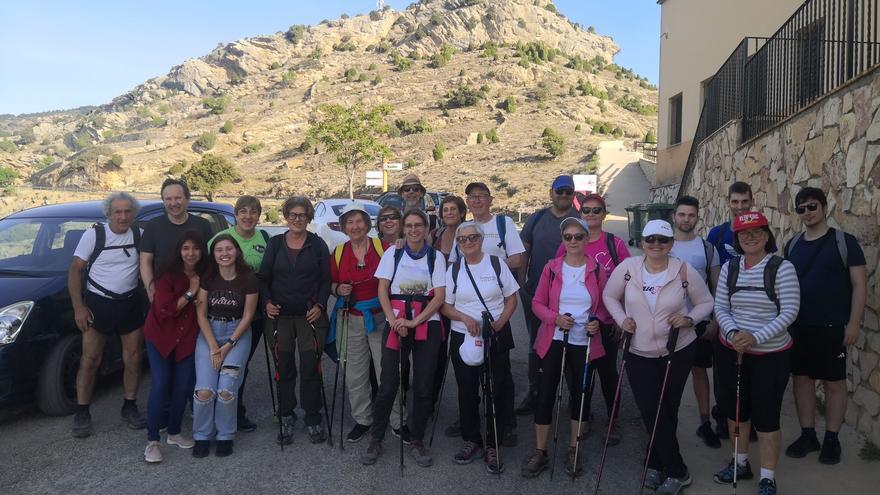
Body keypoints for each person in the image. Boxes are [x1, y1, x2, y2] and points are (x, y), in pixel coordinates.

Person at [603, 220, 713, 494]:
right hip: (639, 351)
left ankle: (656, 463)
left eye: (662, 240)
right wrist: (622, 319)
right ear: (642, 243)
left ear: (671, 244)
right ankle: (676, 468)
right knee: (650, 409)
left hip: (677, 349)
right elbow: (609, 295)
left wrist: (689, 318)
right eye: (650, 239)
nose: (655, 245)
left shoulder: (683, 270)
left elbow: (706, 302)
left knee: (668, 409)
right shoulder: (628, 268)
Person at [712, 212, 800, 495]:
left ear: (766, 235)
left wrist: (755, 337)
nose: (750, 237)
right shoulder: (731, 268)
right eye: (743, 233)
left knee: (767, 416)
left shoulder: (782, 268)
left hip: (770, 355)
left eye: (757, 231)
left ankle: (768, 477)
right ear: (736, 239)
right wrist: (733, 334)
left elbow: (789, 311)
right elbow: (721, 307)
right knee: (736, 412)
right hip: (733, 350)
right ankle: (740, 463)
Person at [783, 187, 866, 465]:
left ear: (824, 207)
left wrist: (853, 323)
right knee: (802, 381)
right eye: (801, 208)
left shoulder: (845, 243)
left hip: (832, 327)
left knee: (834, 383)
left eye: (812, 206)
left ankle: (832, 438)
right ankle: (809, 435)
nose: (807, 213)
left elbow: (859, 285)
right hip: (799, 326)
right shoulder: (792, 245)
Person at [521, 217, 605, 478]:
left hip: (584, 342)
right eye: (567, 237)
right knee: (546, 394)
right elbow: (537, 303)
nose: (572, 241)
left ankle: (573, 449)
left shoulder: (598, 269)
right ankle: (540, 451)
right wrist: (554, 318)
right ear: (563, 240)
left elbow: (604, 305)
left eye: (578, 236)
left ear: (586, 238)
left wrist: (598, 321)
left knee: (580, 398)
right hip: (554, 339)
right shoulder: (552, 268)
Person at [361, 209, 446, 468]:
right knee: (388, 383)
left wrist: (414, 321)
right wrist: (393, 320)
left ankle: (417, 438)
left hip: (425, 323)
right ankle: (376, 437)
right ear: (403, 228)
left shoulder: (436, 257)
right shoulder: (393, 253)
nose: (413, 230)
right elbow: (383, 289)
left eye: (418, 225)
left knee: (422, 385)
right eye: (408, 225)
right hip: (396, 321)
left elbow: (440, 296)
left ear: (426, 227)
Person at [552, 192, 631, 444]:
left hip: (606, 322)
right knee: (579, 376)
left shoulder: (614, 244)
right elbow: (557, 279)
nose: (591, 215)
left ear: (604, 215)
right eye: (586, 210)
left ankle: (613, 422)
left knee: (608, 375)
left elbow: (630, 283)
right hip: (576, 325)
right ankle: (582, 418)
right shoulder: (570, 241)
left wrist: (622, 318)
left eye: (597, 210)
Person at [68, 192, 148, 438]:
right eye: (118, 212)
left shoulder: (139, 235)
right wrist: (79, 307)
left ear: (133, 213)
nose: (123, 217)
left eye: (127, 212)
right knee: (90, 359)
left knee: (133, 358)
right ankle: (82, 411)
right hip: (98, 304)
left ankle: (129, 405)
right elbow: (74, 270)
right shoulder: (94, 235)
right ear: (109, 214)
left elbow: (148, 264)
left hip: (129, 303)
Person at [442, 221, 519, 474]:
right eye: (462, 240)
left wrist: (500, 323)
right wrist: (464, 318)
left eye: (472, 237)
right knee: (467, 389)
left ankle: (493, 442)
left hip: (494, 335)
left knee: (495, 388)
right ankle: (472, 440)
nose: (467, 242)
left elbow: (511, 298)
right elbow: (446, 306)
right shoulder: (453, 270)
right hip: (463, 337)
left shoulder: (496, 264)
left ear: (481, 238)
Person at [451, 182, 525, 444]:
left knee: (500, 379)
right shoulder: (462, 237)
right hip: (465, 326)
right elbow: (452, 269)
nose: (477, 201)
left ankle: (504, 427)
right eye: (472, 197)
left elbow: (517, 260)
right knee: (468, 382)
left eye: (481, 196)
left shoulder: (503, 226)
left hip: (496, 317)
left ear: (490, 200)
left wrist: (490, 266)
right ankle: (471, 428)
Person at [259, 196, 331, 445]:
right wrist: (266, 302)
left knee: (311, 366)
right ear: (286, 217)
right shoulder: (276, 244)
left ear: (309, 218)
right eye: (293, 214)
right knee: (284, 366)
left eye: (302, 215)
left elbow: (325, 280)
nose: (298, 219)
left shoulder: (317, 244)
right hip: (280, 317)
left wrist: (321, 305)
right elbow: (264, 277)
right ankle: (286, 414)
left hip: (310, 315)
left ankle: (313, 416)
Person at [329, 201, 402, 443]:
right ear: (343, 227)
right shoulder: (339, 253)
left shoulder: (384, 248)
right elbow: (329, 285)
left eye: (359, 221)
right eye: (350, 222)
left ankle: (398, 420)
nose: (355, 226)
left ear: (368, 224)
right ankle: (363, 419)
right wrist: (338, 289)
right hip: (349, 318)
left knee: (388, 372)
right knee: (354, 374)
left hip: (382, 318)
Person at [516, 175, 579, 417]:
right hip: (536, 293)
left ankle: (575, 398)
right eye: (559, 191)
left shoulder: (579, 221)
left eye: (568, 192)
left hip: (569, 295)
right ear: (551, 192)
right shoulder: (538, 218)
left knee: (572, 345)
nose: (563, 195)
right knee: (536, 344)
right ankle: (535, 392)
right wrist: (522, 283)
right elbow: (525, 250)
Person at [142, 231, 207, 462]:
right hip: (161, 336)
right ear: (179, 251)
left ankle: (174, 432)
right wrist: (191, 291)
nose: (191, 253)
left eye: (196, 248)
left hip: (187, 338)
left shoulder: (204, 274)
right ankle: (152, 441)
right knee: (161, 385)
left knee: (182, 387)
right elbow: (166, 310)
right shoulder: (167, 275)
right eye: (186, 248)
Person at [192, 235, 258, 458]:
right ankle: (201, 434)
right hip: (209, 333)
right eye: (219, 250)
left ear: (237, 251)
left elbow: (248, 315)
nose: (224, 254)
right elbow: (200, 314)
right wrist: (213, 347)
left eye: (229, 249)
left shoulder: (248, 277)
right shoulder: (208, 277)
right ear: (214, 255)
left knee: (226, 389)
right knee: (204, 390)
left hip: (236, 334)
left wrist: (228, 345)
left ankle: (225, 435)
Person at [210, 196, 269, 433]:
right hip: (219, 316)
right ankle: (210, 407)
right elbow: (205, 274)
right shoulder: (220, 240)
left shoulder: (265, 239)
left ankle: (235, 410)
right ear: (235, 214)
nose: (248, 216)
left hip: (252, 316)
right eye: (242, 211)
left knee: (239, 364)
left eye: (253, 212)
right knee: (215, 363)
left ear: (258, 215)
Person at [669, 195, 722, 448]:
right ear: (674, 217)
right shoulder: (664, 246)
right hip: (669, 321)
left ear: (697, 217)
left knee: (700, 373)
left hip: (698, 320)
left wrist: (714, 320)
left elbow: (717, 286)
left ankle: (705, 423)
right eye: (682, 214)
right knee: (669, 375)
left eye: (691, 215)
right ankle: (666, 424)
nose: (686, 219)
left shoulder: (707, 248)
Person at [705, 180, 755, 438]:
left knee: (751, 373)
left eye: (744, 201)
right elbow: (711, 277)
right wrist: (715, 316)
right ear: (728, 203)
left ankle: (750, 421)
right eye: (734, 202)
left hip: (755, 316)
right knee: (724, 375)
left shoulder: (760, 231)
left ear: (751, 202)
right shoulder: (717, 234)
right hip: (725, 315)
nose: (739, 206)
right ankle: (724, 419)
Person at [140, 178, 213, 303]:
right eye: (168, 199)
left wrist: (204, 291)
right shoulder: (153, 226)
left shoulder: (203, 225)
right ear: (163, 201)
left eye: (178, 198)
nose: (173, 203)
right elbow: (145, 262)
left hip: (196, 296)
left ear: (187, 199)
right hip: (162, 295)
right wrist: (151, 291)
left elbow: (211, 262)